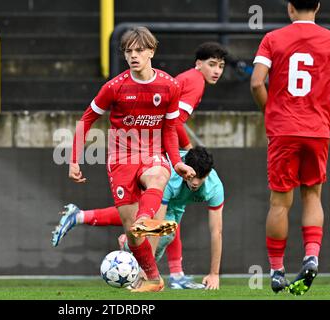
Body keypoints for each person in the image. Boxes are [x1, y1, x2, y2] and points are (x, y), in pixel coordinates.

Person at [69, 27, 196, 292]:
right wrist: (73, 160)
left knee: (159, 175)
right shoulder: (114, 87)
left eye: (139, 50)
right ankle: (153, 278)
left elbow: (170, 130)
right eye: (128, 51)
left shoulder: (169, 85)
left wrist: (177, 162)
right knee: (131, 233)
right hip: (121, 159)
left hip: (152, 154)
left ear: (152, 51)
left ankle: (146, 218)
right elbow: (86, 120)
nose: (133, 56)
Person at [54, 147, 224, 290]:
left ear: (207, 175)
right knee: (156, 229)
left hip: (175, 206)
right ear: (185, 167)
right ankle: (137, 258)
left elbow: (216, 231)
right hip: (150, 183)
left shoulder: (215, 188)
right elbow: (155, 224)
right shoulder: (171, 176)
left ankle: (86, 219)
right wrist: (149, 272)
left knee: (165, 232)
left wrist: (214, 274)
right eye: (192, 176)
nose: (195, 182)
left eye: (200, 178)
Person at [250, 0, 330, 295]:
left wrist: (270, 112)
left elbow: (257, 82)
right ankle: (311, 256)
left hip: (284, 130)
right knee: (312, 196)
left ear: (289, 8)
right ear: (318, 7)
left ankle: (276, 270)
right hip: (318, 130)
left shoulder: (273, 38)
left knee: (279, 203)